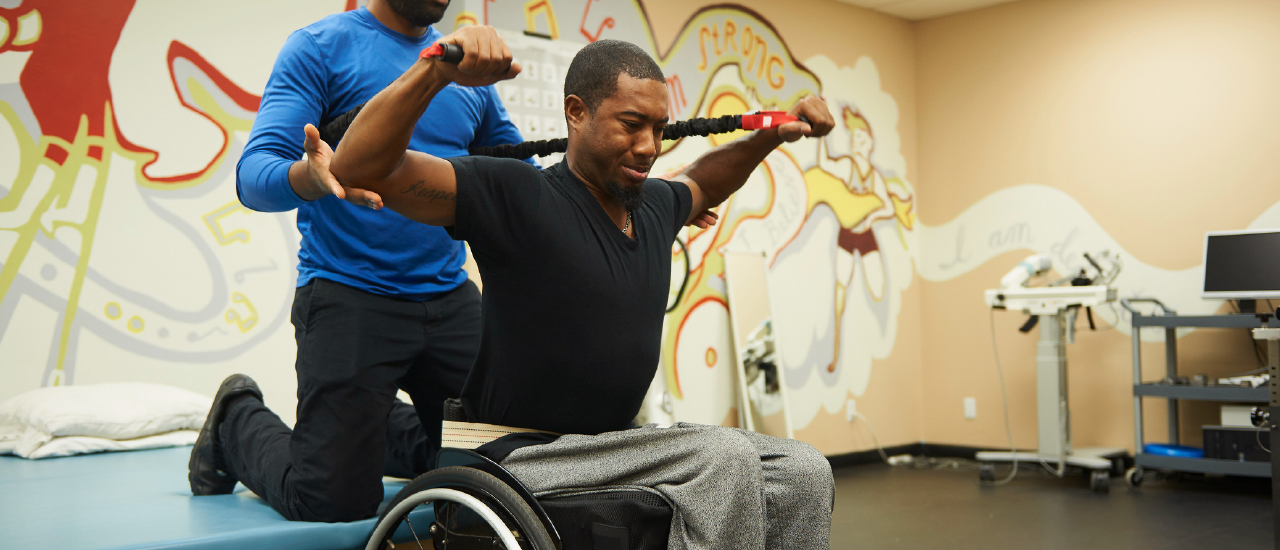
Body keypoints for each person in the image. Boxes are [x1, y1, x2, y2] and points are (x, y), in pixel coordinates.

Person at [326, 32, 836, 548]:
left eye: (658, 129)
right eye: (631, 125)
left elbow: (705, 178)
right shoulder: (518, 197)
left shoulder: (654, 207)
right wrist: (434, 72)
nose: (649, 147)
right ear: (576, 113)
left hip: (607, 448)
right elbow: (362, 168)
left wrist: (772, 135)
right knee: (721, 460)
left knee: (803, 470)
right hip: (516, 457)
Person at [189, 0, 525, 522]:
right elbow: (254, 175)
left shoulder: (463, 66)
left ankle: (376, 425)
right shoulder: (321, 48)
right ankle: (235, 422)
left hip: (448, 297)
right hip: (349, 292)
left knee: (500, 472)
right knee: (333, 503)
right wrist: (308, 178)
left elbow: (514, 172)